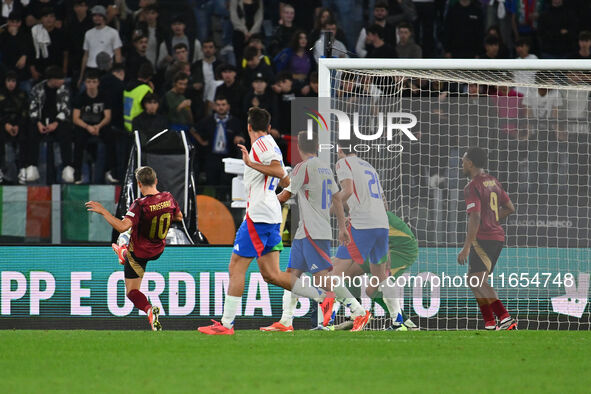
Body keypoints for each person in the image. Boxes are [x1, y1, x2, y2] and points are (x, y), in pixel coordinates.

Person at [198, 107, 327, 335]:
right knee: (272, 275)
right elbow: (286, 179)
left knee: (236, 267)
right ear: (268, 127)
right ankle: (322, 296)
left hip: (258, 216)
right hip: (269, 214)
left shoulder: (259, 145)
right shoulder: (271, 144)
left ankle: (226, 325)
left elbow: (278, 171)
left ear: (248, 127)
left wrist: (250, 164)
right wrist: (272, 196)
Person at [260, 131, 367, 332]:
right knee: (291, 275)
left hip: (312, 231)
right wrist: (342, 227)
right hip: (307, 231)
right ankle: (285, 322)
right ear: (317, 146)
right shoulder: (325, 168)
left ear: (298, 148)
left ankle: (358, 312)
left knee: (322, 278)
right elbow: (336, 198)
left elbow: (284, 195)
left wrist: (262, 203)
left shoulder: (303, 167)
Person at [86, 166, 183, 331]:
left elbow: (122, 226)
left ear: (139, 184)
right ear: (156, 181)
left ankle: (148, 309)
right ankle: (122, 252)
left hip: (138, 253)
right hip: (158, 249)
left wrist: (104, 212)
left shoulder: (140, 204)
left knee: (132, 292)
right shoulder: (169, 198)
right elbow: (179, 217)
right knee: (131, 234)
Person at [331, 139, 392, 331]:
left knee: (331, 274)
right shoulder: (369, 166)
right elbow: (383, 202)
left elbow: (347, 191)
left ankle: (358, 312)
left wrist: (331, 210)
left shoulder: (342, 163)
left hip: (362, 226)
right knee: (380, 276)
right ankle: (400, 321)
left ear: (339, 149)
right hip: (381, 224)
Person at [457, 147, 517, 330]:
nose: (462, 163)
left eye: (463, 160)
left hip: (483, 238)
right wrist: (493, 218)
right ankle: (490, 322)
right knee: (473, 280)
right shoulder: (493, 181)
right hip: (496, 236)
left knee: (477, 281)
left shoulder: (472, 186)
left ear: (471, 163)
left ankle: (504, 318)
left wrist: (466, 247)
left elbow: (474, 217)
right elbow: (510, 208)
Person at [27, 66, 74, 184]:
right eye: (60, 79)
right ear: (52, 79)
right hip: (41, 122)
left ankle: (67, 166)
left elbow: (66, 109)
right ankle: (32, 166)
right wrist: (38, 122)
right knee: (31, 130)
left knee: (66, 131)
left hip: (58, 122)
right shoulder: (37, 89)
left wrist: (56, 123)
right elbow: (32, 108)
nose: (62, 81)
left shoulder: (64, 89)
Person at [72, 70, 116, 184]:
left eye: (94, 82)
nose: (91, 84)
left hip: (100, 126)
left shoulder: (104, 96)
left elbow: (108, 116)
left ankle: (111, 171)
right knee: (78, 139)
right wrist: (88, 127)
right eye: (89, 82)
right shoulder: (80, 97)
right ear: (85, 83)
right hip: (85, 126)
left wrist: (98, 126)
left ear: (98, 83)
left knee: (110, 137)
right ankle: (77, 173)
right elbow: (76, 118)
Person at [194, 96, 244, 194]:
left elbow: (241, 134)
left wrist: (239, 137)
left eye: (223, 105)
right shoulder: (207, 120)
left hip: (228, 157)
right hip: (212, 157)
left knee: (226, 184)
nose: (221, 107)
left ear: (228, 106)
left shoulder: (235, 122)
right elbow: (193, 129)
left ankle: (225, 205)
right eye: (218, 105)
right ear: (214, 106)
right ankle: (211, 205)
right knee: (211, 183)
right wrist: (202, 142)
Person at [79, 5, 123, 87]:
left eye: (99, 15)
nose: (97, 18)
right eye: (95, 16)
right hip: (90, 69)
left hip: (106, 70)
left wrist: (117, 73)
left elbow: (118, 54)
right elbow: (85, 56)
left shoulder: (113, 32)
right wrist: (81, 77)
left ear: (104, 17)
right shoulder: (88, 33)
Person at [0, 71, 28, 184]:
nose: (11, 84)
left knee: (26, 133)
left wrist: (17, 125)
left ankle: (23, 169)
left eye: (13, 81)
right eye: (8, 81)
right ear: (5, 82)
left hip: (18, 124)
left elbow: (25, 112)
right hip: (2, 124)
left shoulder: (22, 94)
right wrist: (5, 124)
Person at [123, 62, 154, 132]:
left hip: (125, 125)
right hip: (138, 127)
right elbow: (150, 109)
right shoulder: (145, 90)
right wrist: (152, 91)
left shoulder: (127, 86)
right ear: (150, 77)